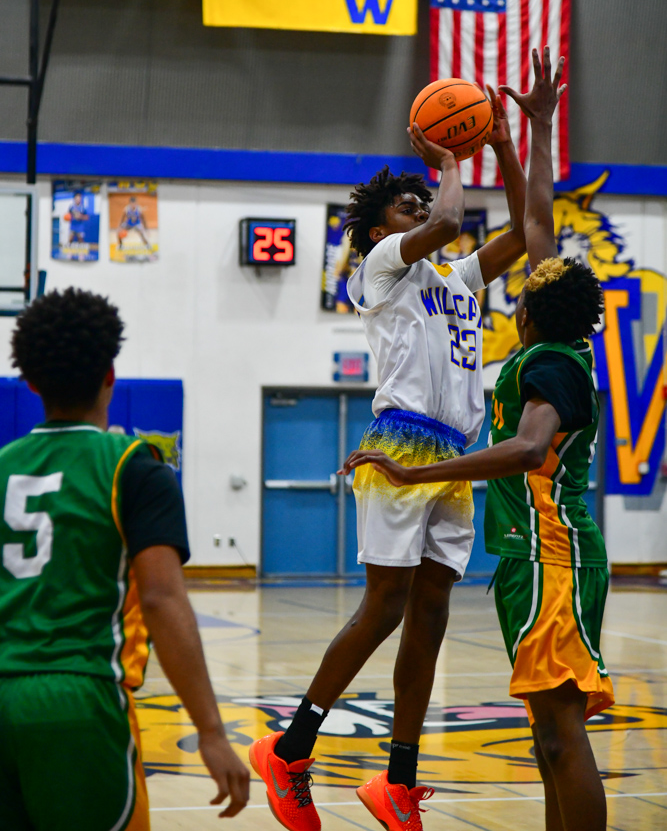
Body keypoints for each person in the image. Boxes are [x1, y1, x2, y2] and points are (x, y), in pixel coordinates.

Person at [344, 49, 613, 831]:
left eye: (527, 288)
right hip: (529, 550)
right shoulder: (546, 343)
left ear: (527, 311)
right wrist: (522, 135)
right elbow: (536, 226)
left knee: (558, 737)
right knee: (546, 736)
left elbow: (526, 451)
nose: (522, 282)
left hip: (550, 551)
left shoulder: (550, 363)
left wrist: (415, 475)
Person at [250, 88, 529, 831]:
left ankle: (397, 780)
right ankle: (289, 750)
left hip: (453, 454)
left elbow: (531, 233)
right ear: (380, 229)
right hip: (401, 442)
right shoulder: (379, 267)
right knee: (384, 606)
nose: (423, 208)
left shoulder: (456, 280)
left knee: (431, 615)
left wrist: (505, 145)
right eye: (407, 206)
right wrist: (449, 160)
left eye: (422, 200)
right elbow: (447, 221)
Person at [0, 288, 249, 831]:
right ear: (110, 374)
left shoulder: (3, 465)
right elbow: (161, 599)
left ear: (31, 382)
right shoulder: (135, 466)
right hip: (78, 700)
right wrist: (210, 730)